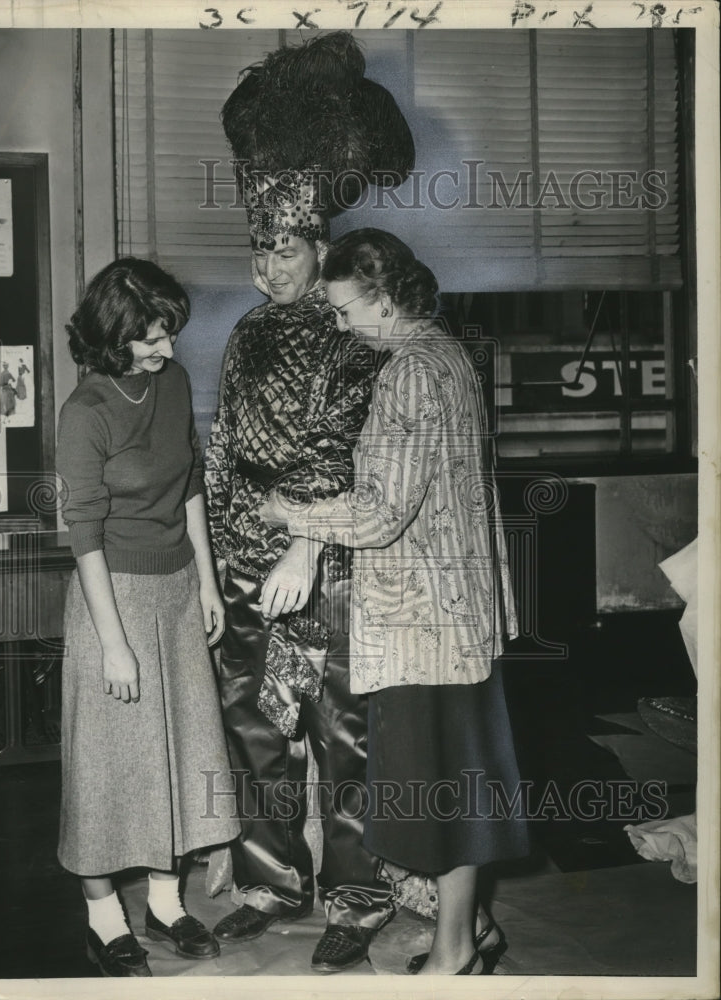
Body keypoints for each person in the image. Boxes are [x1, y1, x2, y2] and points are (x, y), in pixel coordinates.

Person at [259, 229, 530, 976]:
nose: (343, 326)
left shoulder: (408, 372)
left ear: (383, 297)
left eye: (347, 310)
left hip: (422, 623)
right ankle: (472, 931)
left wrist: (295, 519)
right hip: (460, 614)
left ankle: (452, 957)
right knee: (462, 782)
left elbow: (381, 513)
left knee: (438, 797)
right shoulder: (450, 354)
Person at [203, 30, 416, 975]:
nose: (266, 268)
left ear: (317, 243)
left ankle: (361, 896)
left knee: (340, 730)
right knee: (253, 724)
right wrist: (213, 560)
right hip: (244, 557)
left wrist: (303, 551)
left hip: (324, 564)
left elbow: (338, 446)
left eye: (282, 250)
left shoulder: (353, 333)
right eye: (257, 249)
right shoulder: (247, 332)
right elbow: (221, 447)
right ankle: (269, 881)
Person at [56, 257, 238, 977]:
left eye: (169, 336)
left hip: (176, 587)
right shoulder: (86, 412)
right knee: (107, 766)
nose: (166, 351)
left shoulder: (173, 383)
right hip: (114, 597)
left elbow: (189, 481)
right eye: (151, 340)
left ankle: (168, 901)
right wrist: (114, 644)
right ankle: (104, 917)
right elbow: (84, 536)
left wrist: (208, 584)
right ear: (113, 336)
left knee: (186, 751)